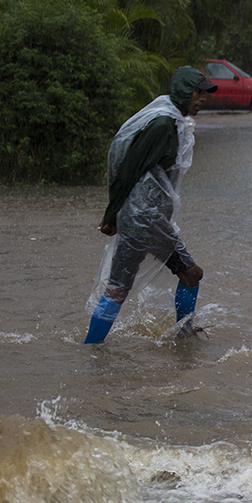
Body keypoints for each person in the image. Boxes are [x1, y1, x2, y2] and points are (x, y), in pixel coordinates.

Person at [83, 66, 216, 344]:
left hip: (141, 217)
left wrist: (119, 213)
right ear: (182, 92)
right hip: (146, 218)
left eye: (206, 93)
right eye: (198, 92)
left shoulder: (170, 120)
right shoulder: (163, 125)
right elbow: (129, 168)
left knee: (117, 290)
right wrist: (111, 214)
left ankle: (92, 349)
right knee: (192, 273)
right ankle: (183, 335)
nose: (203, 98)